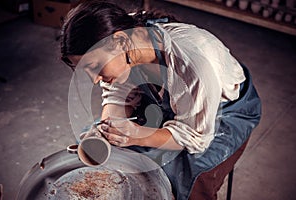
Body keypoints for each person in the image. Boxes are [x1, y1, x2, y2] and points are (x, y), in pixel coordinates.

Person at [60, 1, 261, 199]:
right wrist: (109, 128)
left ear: (120, 42)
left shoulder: (192, 61)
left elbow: (196, 137)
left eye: (95, 66)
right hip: (167, 100)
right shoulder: (122, 35)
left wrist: (135, 135)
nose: (94, 80)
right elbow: (118, 93)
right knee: (106, 151)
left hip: (222, 113)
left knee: (184, 181)